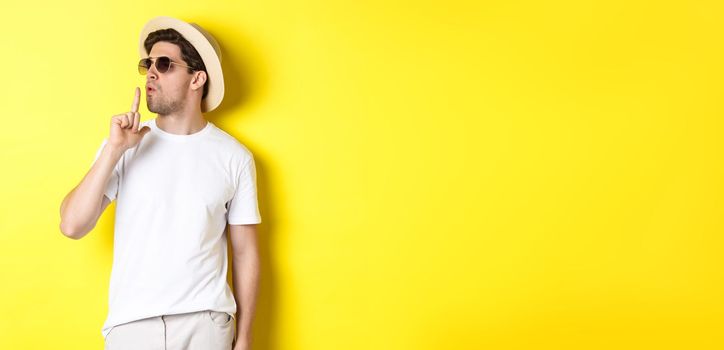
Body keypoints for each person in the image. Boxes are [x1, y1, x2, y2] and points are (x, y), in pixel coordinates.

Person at [58, 16, 261, 350]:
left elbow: (246, 251)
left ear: (198, 79)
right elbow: (72, 225)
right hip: (132, 326)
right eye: (147, 64)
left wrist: (246, 337)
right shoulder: (123, 145)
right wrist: (113, 151)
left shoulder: (234, 157)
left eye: (164, 64)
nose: (151, 72)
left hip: (206, 324)